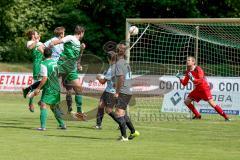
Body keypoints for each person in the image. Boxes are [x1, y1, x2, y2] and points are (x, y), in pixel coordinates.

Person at [176, 56, 230, 121]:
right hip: (197, 90)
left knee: (212, 103)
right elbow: (184, 83)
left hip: (204, 88)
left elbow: (201, 80)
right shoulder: (188, 72)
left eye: (189, 60)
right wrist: (180, 78)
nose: (187, 61)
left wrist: (193, 79)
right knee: (186, 101)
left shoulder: (198, 69)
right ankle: (197, 115)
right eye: (187, 60)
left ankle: (226, 117)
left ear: (193, 62)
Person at [50, 25, 86, 117]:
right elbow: (59, 41)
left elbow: (76, 57)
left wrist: (81, 50)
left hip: (71, 68)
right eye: (83, 33)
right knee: (51, 84)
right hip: (63, 65)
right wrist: (52, 43)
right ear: (81, 33)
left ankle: (78, 112)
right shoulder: (70, 37)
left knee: (79, 89)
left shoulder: (78, 42)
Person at [34, 47, 66, 130]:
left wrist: (38, 88)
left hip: (49, 88)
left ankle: (43, 127)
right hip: (56, 87)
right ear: (51, 54)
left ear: (43, 54)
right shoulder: (55, 62)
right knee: (54, 106)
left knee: (43, 104)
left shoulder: (43, 64)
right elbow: (59, 74)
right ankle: (62, 124)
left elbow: (44, 78)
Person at [113, 43, 139, 141]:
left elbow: (121, 78)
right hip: (128, 90)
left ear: (117, 52)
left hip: (123, 91)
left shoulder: (119, 63)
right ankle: (133, 132)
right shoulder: (126, 63)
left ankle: (124, 137)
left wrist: (117, 92)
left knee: (118, 114)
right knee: (123, 114)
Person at [94, 51, 118, 129]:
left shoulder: (111, 69)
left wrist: (98, 78)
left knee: (109, 110)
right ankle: (98, 125)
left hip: (111, 92)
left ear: (108, 59)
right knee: (100, 105)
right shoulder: (116, 67)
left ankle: (122, 123)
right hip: (108, 90)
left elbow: (103, 82)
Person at [25, 30, 43, 112]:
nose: (38, 34)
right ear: (33, 35)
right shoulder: (29, 42)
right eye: (36, 33)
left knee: (45, 83)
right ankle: (30, 103)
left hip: (43, 64)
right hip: (37, 65)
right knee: (37, 84)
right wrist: (36, 41)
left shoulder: (40, 42)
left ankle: (42, 100)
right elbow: (30, 47)